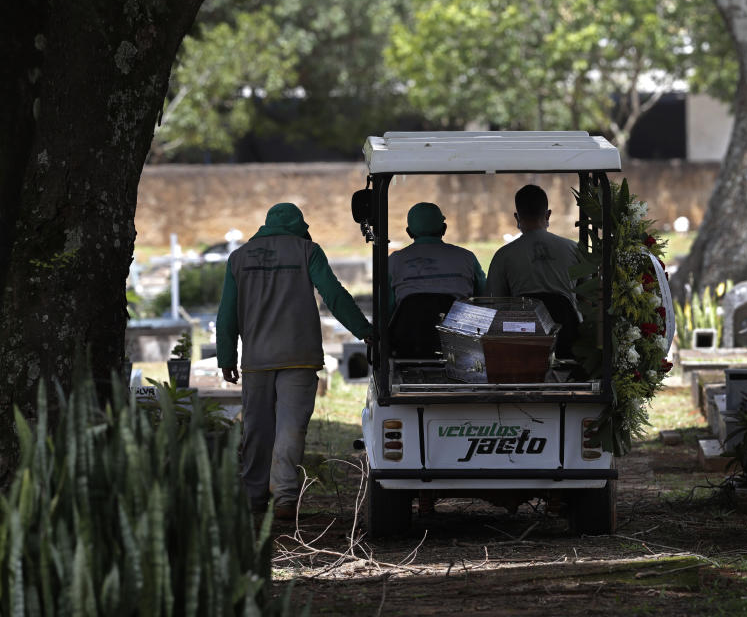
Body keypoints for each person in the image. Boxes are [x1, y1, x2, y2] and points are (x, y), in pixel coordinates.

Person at [216, 202, 371, 519]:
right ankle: (285, 498)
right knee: (291, 428)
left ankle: (253, 498)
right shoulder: (307, 251)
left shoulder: (239, 257)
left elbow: (226, 314)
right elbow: (334, 295)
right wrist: (366, 331)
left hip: (256, 360)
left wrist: (226, 356)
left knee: (257, 430)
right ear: (299, 225)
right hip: (299, 357)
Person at [486, 184, 581, 356]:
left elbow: (495, 304)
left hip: (523, 340)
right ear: (548, 214)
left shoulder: (503, 256)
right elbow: (588, 297)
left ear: (517, 217)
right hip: (568, 340)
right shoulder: (573, 249)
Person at [387, 202, 486, 356]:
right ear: (444, 229)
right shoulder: (466, 258)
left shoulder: (394, 261)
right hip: (459, 346)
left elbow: (386, 311)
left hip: (408, 348)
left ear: (408, 232)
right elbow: (484, 300)